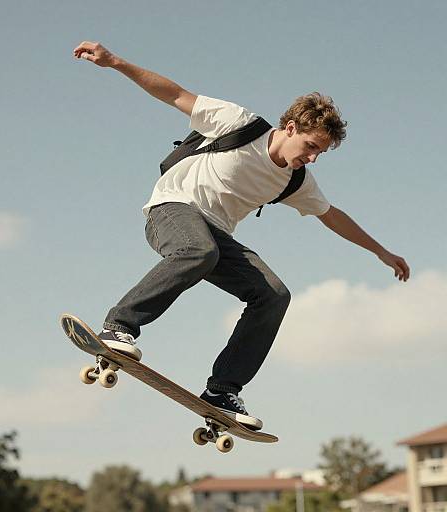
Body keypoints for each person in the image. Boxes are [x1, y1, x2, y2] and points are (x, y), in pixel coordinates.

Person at [72, 41, 410, 430]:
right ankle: (119, 326)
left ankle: (222, 389)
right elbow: (175, 93)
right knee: (199, 251)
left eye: (321, 153)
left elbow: (332, 216)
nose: (313, 158)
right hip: (171, 208)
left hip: (215, 237)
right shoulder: (238, 123)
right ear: (290, 128)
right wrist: (115, 62)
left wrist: (381, 252)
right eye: (311, 146)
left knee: (273, 294)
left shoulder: (297, 180)